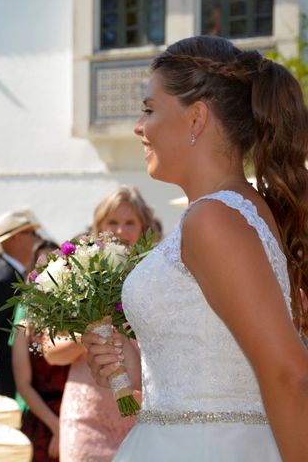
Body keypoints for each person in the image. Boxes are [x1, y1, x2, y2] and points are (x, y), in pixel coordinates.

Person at [83, 35, 308, 461]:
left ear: (196, 119)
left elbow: (288, 374)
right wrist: (137, 363)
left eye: (149, 109)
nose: (138, 126)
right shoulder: (228, 213)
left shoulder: (214, 220)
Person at [45, 186, 160, 462]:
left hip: (142, 417)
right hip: (87, 419)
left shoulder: (157, 277)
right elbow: (51, 353)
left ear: (143, 227)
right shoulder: (77, 276)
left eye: (129, 223)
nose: (121, 231)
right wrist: (89, 329)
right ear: (99, 227)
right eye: (113, 223)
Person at [12, 239, 70, 462]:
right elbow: (23, 385)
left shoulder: (76, 320)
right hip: (40, 421)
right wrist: (56, 427)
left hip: (74, 413)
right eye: (40, 267)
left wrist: (67, 424)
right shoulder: (22, 327)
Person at [0, 208, 41, 397]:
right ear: (16, 238)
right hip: (8, 383)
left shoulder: (13, 274)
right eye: (32, 233)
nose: (36, 238)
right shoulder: (2, 280)